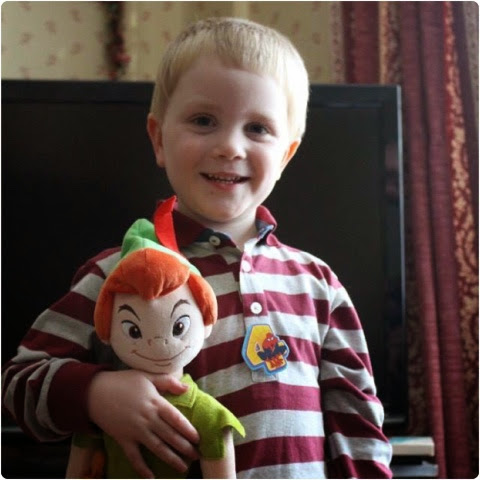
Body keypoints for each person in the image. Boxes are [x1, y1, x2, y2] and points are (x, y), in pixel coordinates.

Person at [2, 17, 392, 479]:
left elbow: (358, 428)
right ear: (158, 139)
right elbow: (19, 385)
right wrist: (96, 394)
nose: (230, 147)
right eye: (204, 121)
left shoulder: (319, 284)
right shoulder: (120, 273)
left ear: (286, 155)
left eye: (258, 128)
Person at [66, 216, 244, 478]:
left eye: (179, 327)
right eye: (134, 331)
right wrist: (95, 394)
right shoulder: (103, 270)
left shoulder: (308, 271)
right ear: (106, 329)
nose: (159, 344)